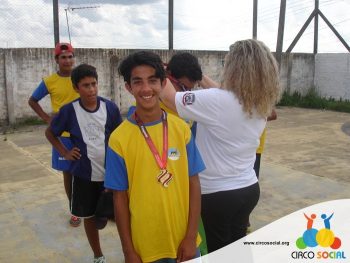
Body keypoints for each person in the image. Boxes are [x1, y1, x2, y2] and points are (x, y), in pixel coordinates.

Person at [160, 39, 282, 252]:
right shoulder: (259, 104)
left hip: (217, 195)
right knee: (238, 249)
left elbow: (170, 98)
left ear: (234, 68)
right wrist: (199, 76)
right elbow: (227, 96)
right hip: (248, 189)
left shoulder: (215, 101)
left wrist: (159, 72)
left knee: (219, 253)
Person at [104, 51, 205, 263]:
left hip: (183, 244)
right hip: (144, 248)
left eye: (152, 80)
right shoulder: (118, 139)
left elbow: (194, 183)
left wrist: (190, 237)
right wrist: (128, 251)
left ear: (162, 84)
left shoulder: (181, 129)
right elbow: (119, 198)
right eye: (138, 82)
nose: (146, 88)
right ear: (128, 88)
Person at [45, 64, 122, 263]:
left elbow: (121, 137)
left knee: (122, 216)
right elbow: (50, 133)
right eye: (86, 85)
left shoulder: (110, 108)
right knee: (88, 217)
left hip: (111, 175)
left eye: (94, 84)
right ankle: (98, 255)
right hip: (83, 174)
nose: (91, 89)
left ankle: (129, 252)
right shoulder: (69, 111)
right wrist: (65, 152)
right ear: (76, 88)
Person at [28, 42, 81, 227]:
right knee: (68, 174)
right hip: (62, 136)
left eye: (70, 56)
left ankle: (89, 205)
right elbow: (32, 100)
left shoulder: (79, 78)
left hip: (81, 133)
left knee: (86, 172)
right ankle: (74, 209)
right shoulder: (49, 81)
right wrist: (46, 118)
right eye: (63, 57)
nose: (67, 60)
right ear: (56, 60)